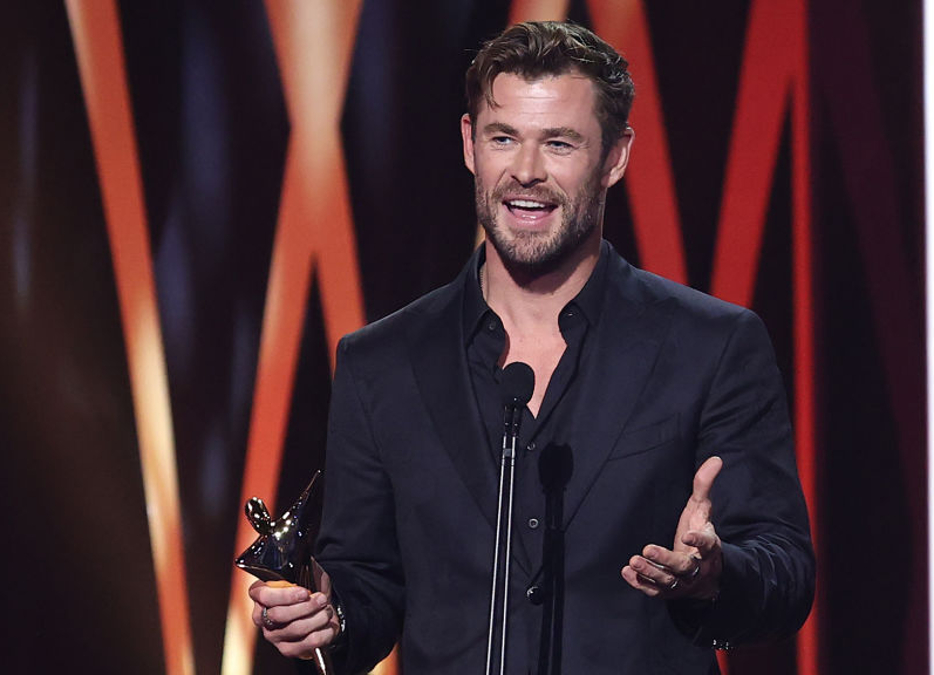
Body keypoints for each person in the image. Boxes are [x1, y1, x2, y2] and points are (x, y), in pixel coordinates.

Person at [249, 20, 813, 674]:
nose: (525, 172)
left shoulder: (711, 346)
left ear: (616, 157)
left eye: (560, 143)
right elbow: (367, 580)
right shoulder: (381, 363)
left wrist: (715, 573)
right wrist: (328, 612)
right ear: (469, 144)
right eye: (503, 137)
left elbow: (787, 572)